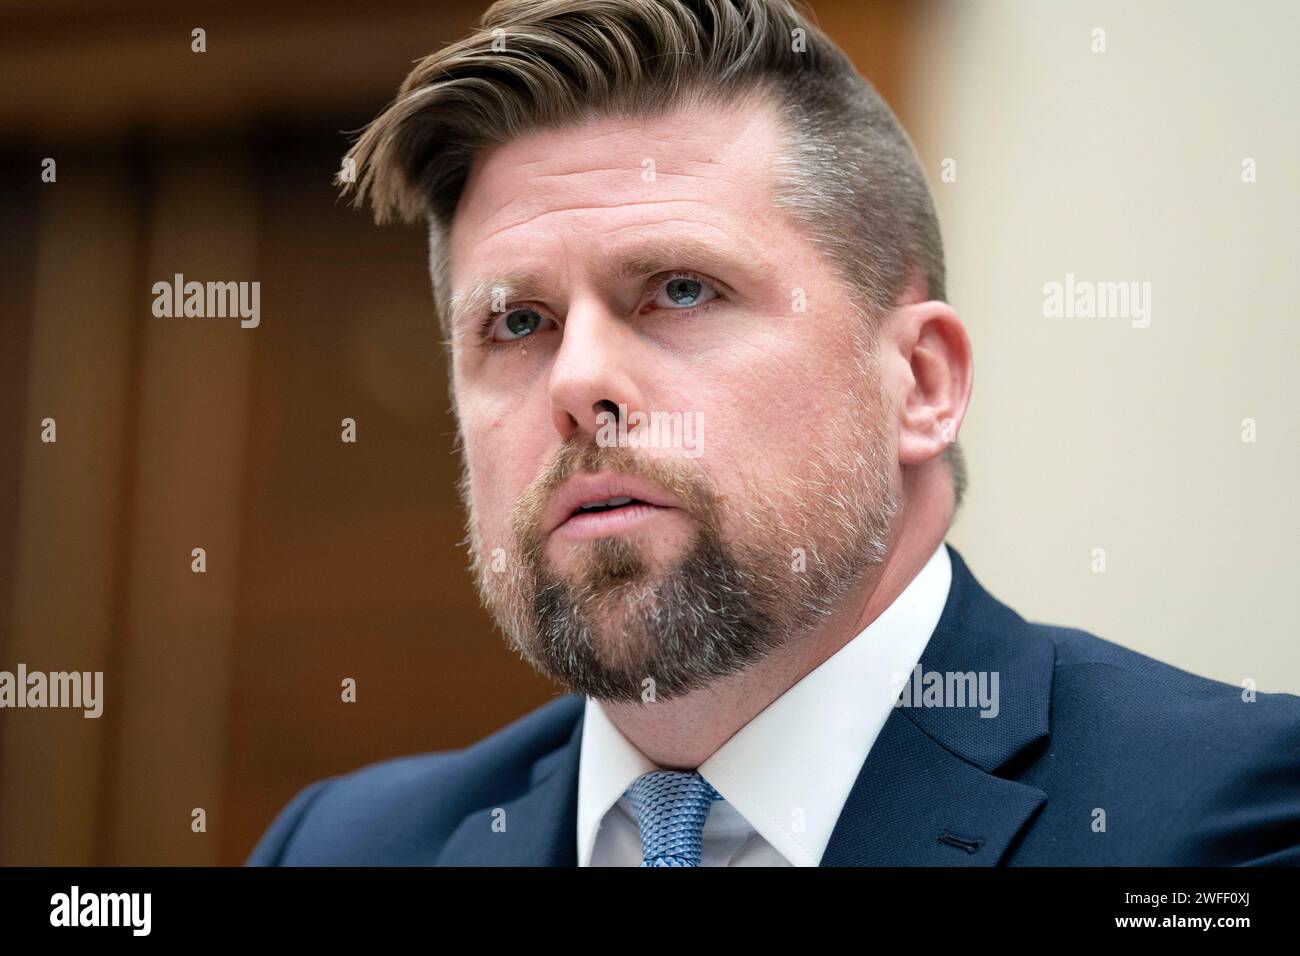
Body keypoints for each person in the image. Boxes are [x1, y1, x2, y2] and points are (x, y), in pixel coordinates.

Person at [246, 0, 1300, 866]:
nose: (577, 383)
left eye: (679, 289)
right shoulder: (341, 847)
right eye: (517, 322)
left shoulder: (1227, 822)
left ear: (921, 381)